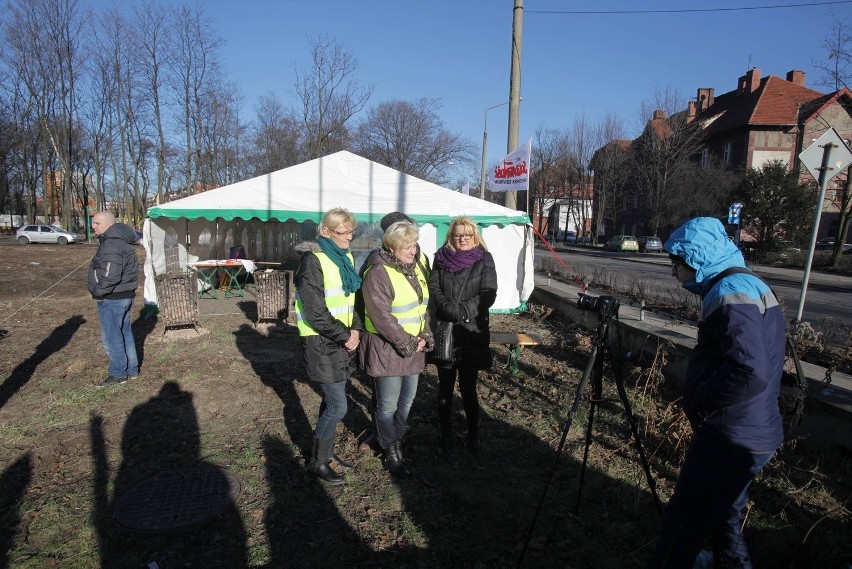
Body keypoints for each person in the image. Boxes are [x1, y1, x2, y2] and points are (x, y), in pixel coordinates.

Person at [650, 217, 785, 569]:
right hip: (757, 428)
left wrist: (703, 402)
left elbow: (748, 369)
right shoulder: (749, 283)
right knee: (727, 510)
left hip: (730, 433)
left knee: (684, 522)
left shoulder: (727, 293)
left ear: (695, 259)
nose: (674, 274)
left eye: (676, 265)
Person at [294, 207, 363, 485]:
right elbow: (315, 312)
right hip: (321, 342)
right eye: (342, 232)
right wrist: (345, 335)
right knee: (338, 406)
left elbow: (351, 299)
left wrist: (355, 329)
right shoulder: (312, 261)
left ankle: (327, 453)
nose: (349, 237)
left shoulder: (343, 257)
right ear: (326, 232)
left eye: (351, 231)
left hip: (341, 340)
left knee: (331, 403)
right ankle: (318, 462)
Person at [359, 220, 433, 477]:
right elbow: (382, 317)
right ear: (391, 247)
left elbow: (421, 308)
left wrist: (425, 333)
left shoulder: (415, 269)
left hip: (413, 347)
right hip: (388, 348)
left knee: (407, 402)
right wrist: (409, 343)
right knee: (387, 406)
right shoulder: (378, 272)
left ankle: (398, 440)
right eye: (406, 247)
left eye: (414, 245)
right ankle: (390, 452)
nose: (413, 251)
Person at [428, 216, 497, 457]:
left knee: (469, 388)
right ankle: (445, 436)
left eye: (467, 234)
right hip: (446, 331)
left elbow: (489, 293)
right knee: (444, 389)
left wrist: (464, 311)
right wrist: (447, 308)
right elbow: (433, 288)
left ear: (475, 236)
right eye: (458, 234)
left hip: (471, 332)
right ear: (451, 236)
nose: (463, 238)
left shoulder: (484, 259)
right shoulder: (440, 258)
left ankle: (473, 434)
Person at [88, 211, 140, 388]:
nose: (93, 226)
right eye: (93, 223)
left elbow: (111, 275)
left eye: (97, 223)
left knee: (112, 337)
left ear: (109, 224)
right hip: (124, 295)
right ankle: (131, 370)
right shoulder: (122, 242)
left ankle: (118, 374)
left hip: (113, 297)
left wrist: (98, 291)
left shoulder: (111, 244)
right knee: (125, 333)